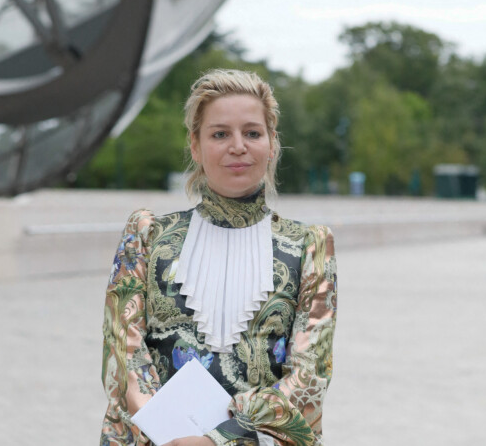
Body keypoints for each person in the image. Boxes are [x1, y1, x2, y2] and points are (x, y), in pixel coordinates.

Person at [101, 69, 337, 446]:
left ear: (272, 143)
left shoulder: (309, 245)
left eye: (253, 133)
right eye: (220, 133)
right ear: (195, 146)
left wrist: (218, 440)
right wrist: (171, 435)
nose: (238, 146)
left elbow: (310, 374)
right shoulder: (147, 235)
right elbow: (123, 351)